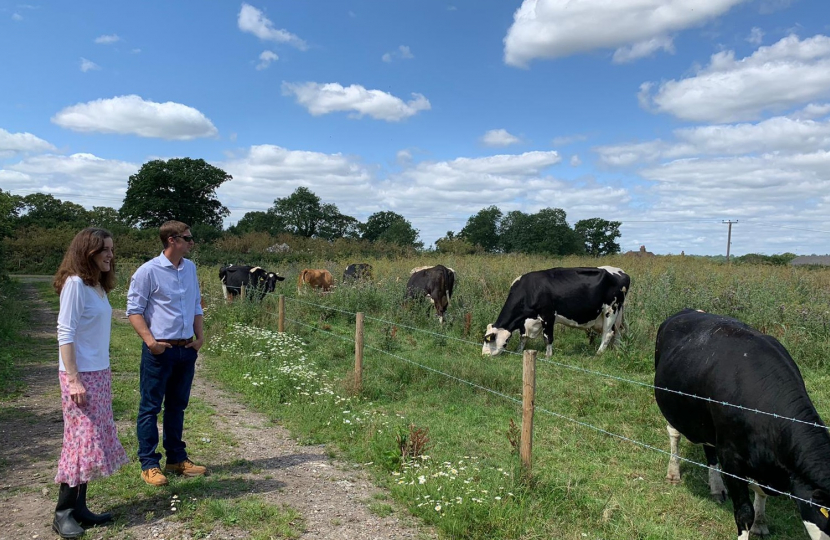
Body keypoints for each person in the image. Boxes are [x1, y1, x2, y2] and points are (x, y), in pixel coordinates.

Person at [53, 227, 128, 538]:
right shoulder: (74, 284)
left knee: (91, 439)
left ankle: (81, 508)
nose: (111, 255)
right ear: (88, 253)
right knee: (79, 442)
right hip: (80, 376)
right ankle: (63, 513)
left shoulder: (96, 286)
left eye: (111, 249)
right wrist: (73, 380)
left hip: (99, 372)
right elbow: (65, 333)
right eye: (104, 250)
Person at [126, 220, 206, 486]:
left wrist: (199, 337)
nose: (192, 242)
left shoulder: (190, 268)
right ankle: (149, 464)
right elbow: (134, 311)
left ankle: (176, 458)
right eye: (188, 237)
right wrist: (151, 342)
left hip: (186, 349)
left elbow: (196, 304)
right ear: (172, 240)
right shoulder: (148, 271)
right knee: (150, 407)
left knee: (177, 406)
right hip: (160, 350)